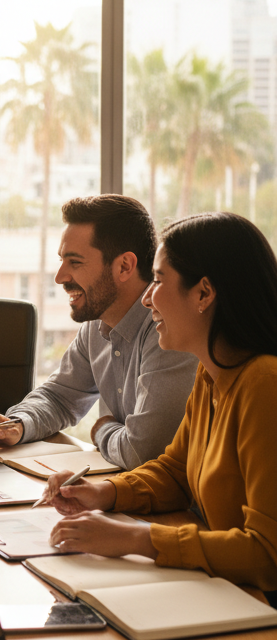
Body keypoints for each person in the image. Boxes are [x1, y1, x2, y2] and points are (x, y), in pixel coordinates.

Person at [44, 212, 277, 593]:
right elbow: (174, 471)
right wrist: (104, 493)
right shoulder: (211, 374)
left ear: (203, 293)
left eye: (157, 280)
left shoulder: (264, 384)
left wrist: (134, 540)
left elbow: (268, 553)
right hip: (226, 590)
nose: (148, 298)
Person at [0, 195, 197, 469]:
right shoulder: (97, 323)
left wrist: (101, 427)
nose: (60, 277)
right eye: (62, 260)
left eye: (75, 262)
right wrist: (17, 424)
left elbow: (142, 453)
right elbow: (59, 397)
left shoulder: (170, 332)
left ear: (124, 266)